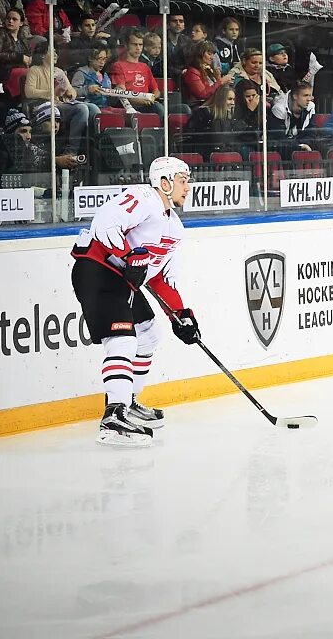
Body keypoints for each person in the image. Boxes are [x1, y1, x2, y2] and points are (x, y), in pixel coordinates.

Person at [70, 156, 200, 445]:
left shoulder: (174, 227)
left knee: (149, 334)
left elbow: (157, 277)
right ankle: (113, 418)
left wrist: (181, 315)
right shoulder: (142, 197)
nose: (187, 187)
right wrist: (129, 254)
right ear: (164, 183)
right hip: (97, 271)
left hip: (121, 281)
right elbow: (104, 224)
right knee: (123, 340)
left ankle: (126, 403)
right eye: (182, 180)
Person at [24, 44, 94, 155]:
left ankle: (90, 147)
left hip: (60, 104)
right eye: (52, 52)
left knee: (93, 108)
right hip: (44, 106)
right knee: (81, 109)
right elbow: (29, 92)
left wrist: (71, 94)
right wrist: (52, 93)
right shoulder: (34, 70)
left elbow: (72, 91)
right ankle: (72, 150)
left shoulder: (59, 71)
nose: (56, 55)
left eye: (56, 52)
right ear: (42, 55)